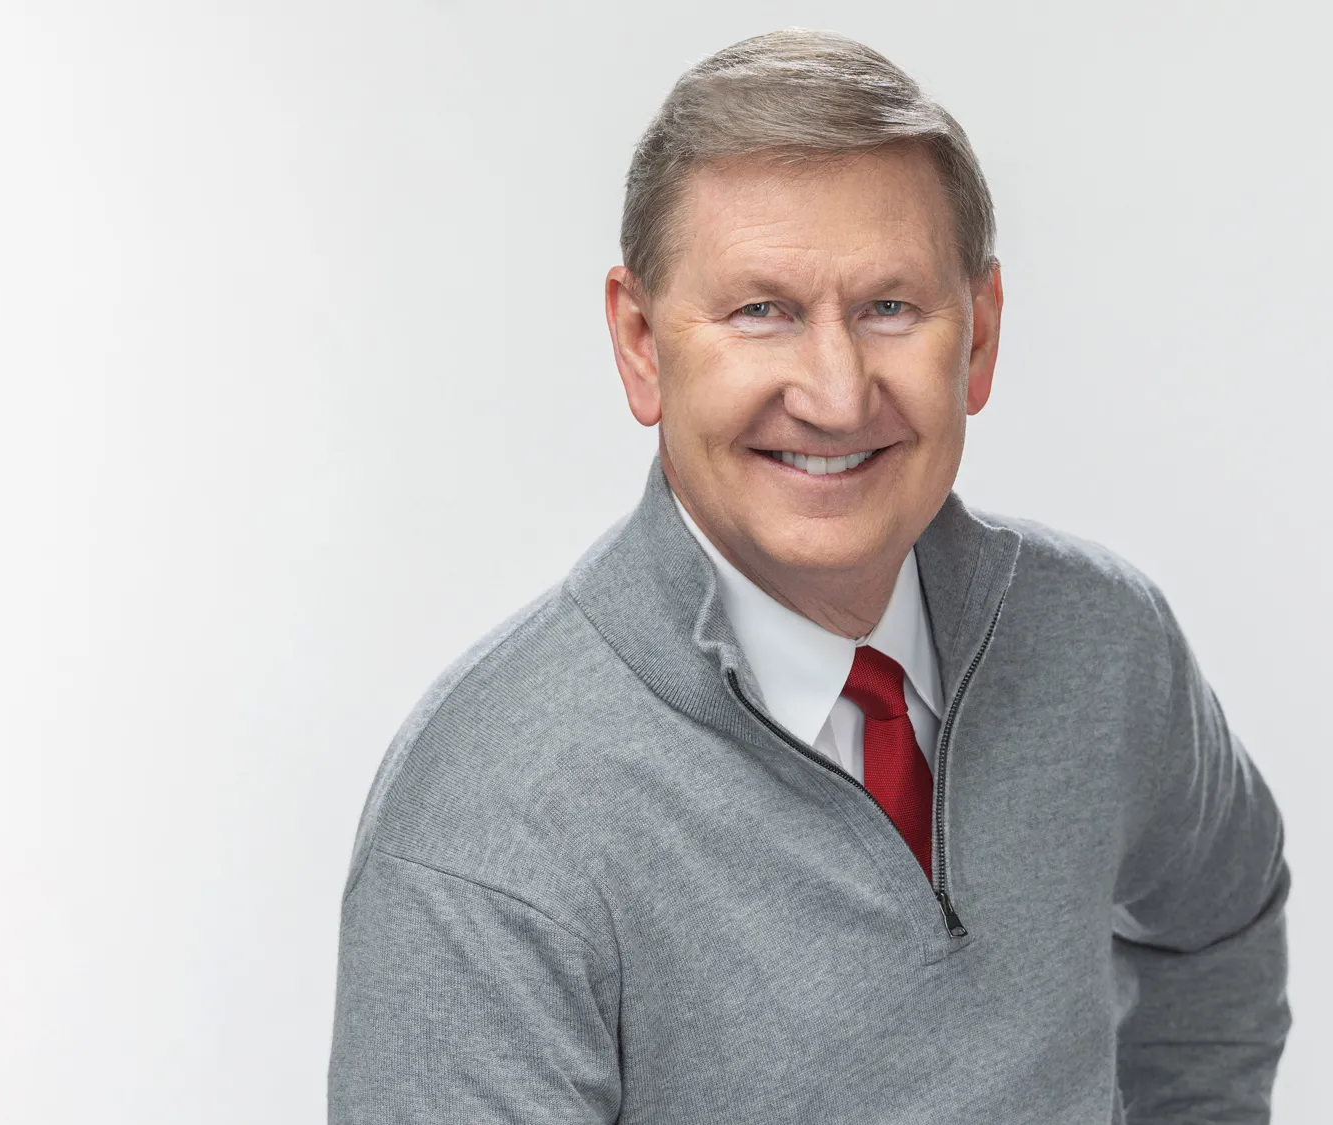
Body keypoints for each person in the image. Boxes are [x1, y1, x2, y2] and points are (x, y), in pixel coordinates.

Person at [327, 28, 1291, 1124]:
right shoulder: (485, 827)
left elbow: (1222, 919)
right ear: (641, 343)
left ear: (978, 339)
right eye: (761, 311)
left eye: (889, 308)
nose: (835, 395)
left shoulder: (1104, 645)